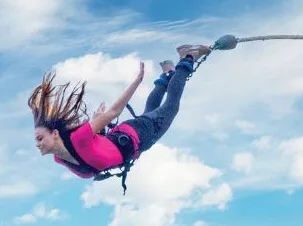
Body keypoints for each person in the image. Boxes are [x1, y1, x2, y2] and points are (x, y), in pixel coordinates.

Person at [29, 44, 212, 186]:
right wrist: (98, 130)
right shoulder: (60, 159)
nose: (37, 144)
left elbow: (114, 112)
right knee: (152, 111)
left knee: (171, 107)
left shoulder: (78, 137)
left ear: (54, 134)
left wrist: (137, 82)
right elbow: (97, 152)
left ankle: (188, 57)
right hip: (130, 137)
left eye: (39, 138)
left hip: (139, 136)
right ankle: (168, 75)